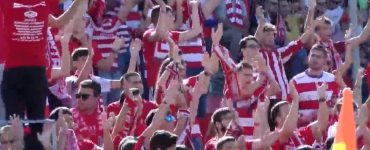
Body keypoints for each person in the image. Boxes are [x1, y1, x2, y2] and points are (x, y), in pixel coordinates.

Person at [142, 0, 202, 99]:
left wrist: (194, 8)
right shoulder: (148, 33)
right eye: (170, 16)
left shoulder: (173, 35)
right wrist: (162, 7)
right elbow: (159, 33)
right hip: (154, 86)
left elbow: (196, 31)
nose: (173, 18)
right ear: (162, 17)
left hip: (170, 87)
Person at [254, 6, 313, 101]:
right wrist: (261, 20)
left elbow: (299, 43)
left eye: (273, 35)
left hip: (284, 100)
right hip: (266, 100)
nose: (271, 37)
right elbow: (254, 41)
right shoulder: (255, 53)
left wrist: (311, 10)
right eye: (267, 34)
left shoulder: (278, 53)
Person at [70, 80, 105, 148]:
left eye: (84, 96)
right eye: (78, 95)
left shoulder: (104, 118)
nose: (80, 99)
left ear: (97, 98)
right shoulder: (69, 116)